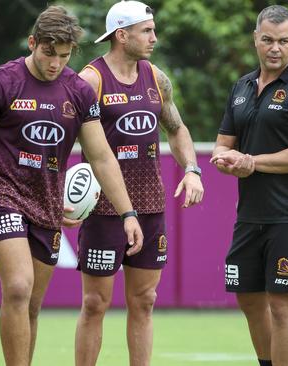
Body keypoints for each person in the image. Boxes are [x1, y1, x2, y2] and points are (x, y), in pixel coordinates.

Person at [0, 5, 143, 365]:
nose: (55, 63)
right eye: (48, 53)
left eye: (64, 56)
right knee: (18, 288)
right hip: (2, 196)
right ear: (32, 42)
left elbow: (101, 157)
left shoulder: (79, 91)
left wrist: (127, 212)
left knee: (33, 305)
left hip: (48, 205)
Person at [75, 1, 204, 365]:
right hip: (104, 209)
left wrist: (192, 169)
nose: (154, 38)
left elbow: (176, 129)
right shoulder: (90, 80)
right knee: (95, 303)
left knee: (144, 301)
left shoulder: (155, 77)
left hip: (149, 205)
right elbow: (65, 139)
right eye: (147, 30)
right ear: (122, 34)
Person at [210, 5, 288, 366]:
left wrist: (252, 162)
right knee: (248, 298)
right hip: (250, 215)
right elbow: (223, 143)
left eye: (283, 41)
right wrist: (225, 159)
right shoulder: (242, 86)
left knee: (283, 306)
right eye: (267, 40)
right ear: (255, 39)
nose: (275, 48)